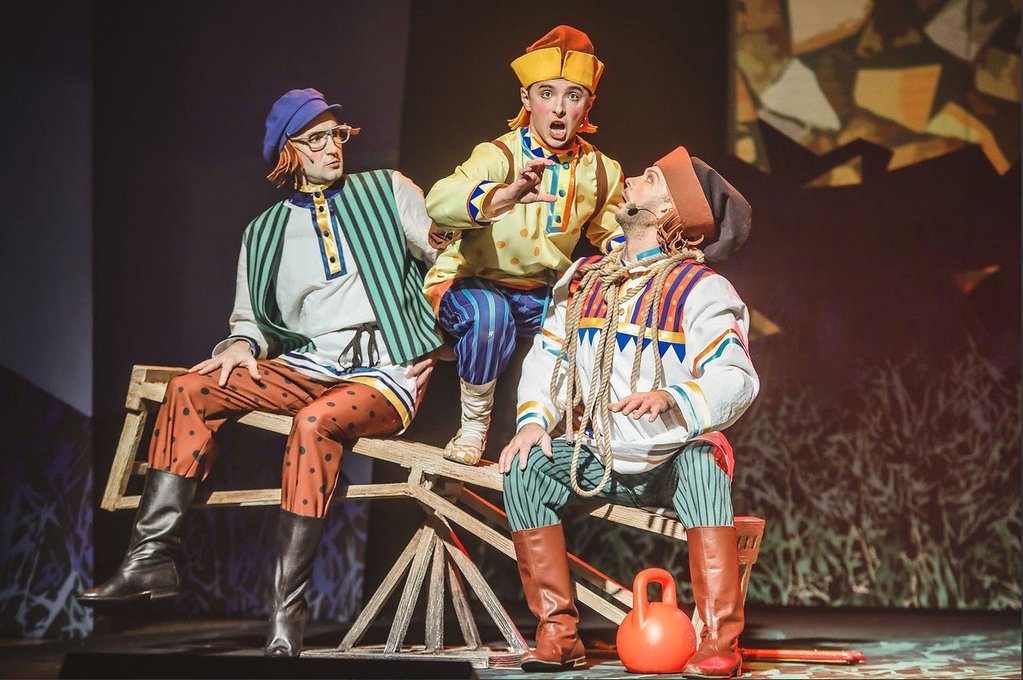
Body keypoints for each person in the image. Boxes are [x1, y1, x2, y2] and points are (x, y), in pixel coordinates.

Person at [79, 88, 443, 658]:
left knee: (314, 424)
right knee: (190, 388)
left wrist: (442, 337)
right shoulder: (263, 232)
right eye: (317, 139)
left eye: (337, 134)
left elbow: (446, 257)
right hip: (307, 365)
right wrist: (240, 343)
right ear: (288, 152)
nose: (333, 147)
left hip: (386, 372)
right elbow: (251, 320)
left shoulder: (388, 189)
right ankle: (151, 559)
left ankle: (286, 609)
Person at [499, 146, 757, 676]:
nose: (631, 180)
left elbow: (737, 377)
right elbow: (549, 354)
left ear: (670, 210)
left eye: (650, 178)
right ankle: (558, 634)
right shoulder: (585, 279)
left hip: (669, 460)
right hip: (598, 454)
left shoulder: (702, 290)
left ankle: (718, 640)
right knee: (524, 467)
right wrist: (533, 421)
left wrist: (673, 397)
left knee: (704, 462)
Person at [424, 25, 625, 466]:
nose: (559, 108)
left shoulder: (600, 170)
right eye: (546, 94)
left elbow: (614, 232)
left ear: (588, 105)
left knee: (593, 323)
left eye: (573, 96)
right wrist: (504, 195)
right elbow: (439, 201)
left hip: (541, 295)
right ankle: (473, 426)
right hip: (472, 283)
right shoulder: (499, 154)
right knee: (489, 316)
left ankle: (577, 439)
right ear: (526, 98)